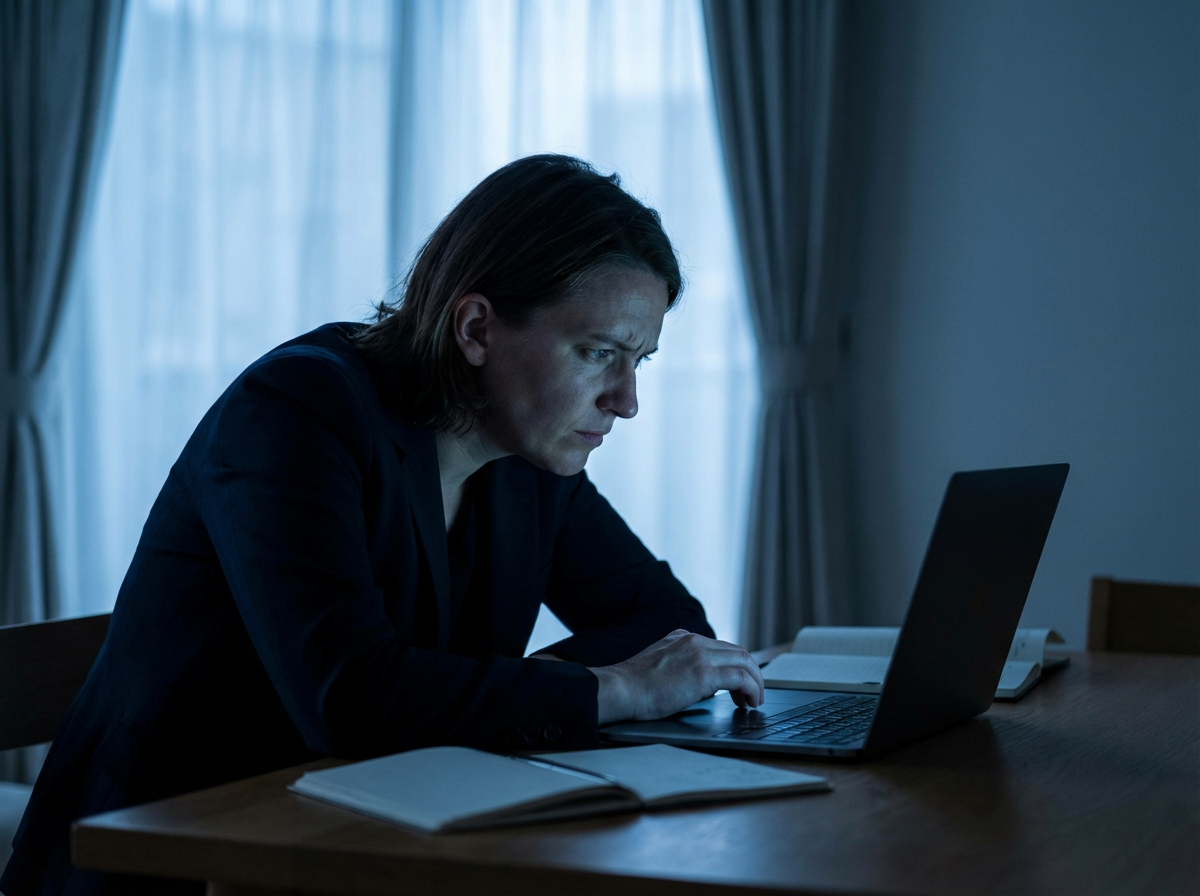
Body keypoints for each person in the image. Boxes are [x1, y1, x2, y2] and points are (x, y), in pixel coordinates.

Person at [1, 154, 764, 896]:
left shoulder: (530, 456)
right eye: (599, 353)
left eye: (640, 362)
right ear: (475, 328)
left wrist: (509, 692)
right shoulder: (297, 411)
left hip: (366, 830)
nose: (625, 401)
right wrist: (609, 691)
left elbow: (666, 623)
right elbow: (351, 700)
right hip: (178, 853)